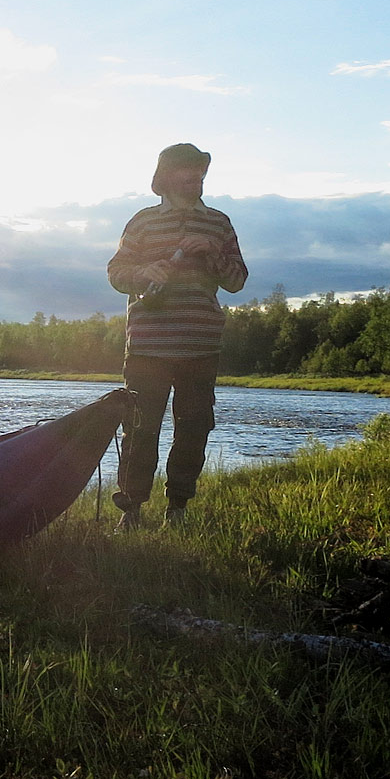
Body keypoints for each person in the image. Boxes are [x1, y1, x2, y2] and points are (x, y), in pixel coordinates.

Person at [106, 143, 249, 528]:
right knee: (139, 427)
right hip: (148, 346)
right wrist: (143, 272)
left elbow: (237, 280)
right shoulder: (143, 222)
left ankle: (178, 509)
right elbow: (117, 273)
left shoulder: (218, 223)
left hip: (201, 344)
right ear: (167, 176)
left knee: (194, 426)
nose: (197, 178)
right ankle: (131, 511)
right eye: (189, 172)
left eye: (201, 172)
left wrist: (212, 255)